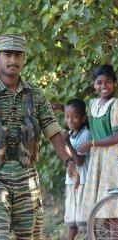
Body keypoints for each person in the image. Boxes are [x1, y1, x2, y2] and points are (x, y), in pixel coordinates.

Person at [0, 33, 79, 240]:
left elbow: (53, 131)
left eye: (18, 55)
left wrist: (69, 161)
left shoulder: (35, 95)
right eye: (7, 54)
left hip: (27, 179)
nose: (13, 60)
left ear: (24, 58)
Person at [78, 64, 118, 239]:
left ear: (114, 84)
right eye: (99, 82)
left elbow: (116, 136)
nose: (104, 86)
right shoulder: (92, 104)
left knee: (112, 207)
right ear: (93, 85)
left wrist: (91, 143)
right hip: (98, 158)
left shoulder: (115, 105)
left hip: (112, 157)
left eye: (108, 82)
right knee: (104, 206)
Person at [62, 99, 91, 240]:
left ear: (83, 118)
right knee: (71, 220)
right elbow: (68, 160)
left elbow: (79, 161)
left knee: (84, 221)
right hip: (71, 182)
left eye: (75, 117)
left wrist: (66, 142)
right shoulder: (70, 133)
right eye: (67, 116)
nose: (70, 120)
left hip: (83, 183)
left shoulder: (85, 134)